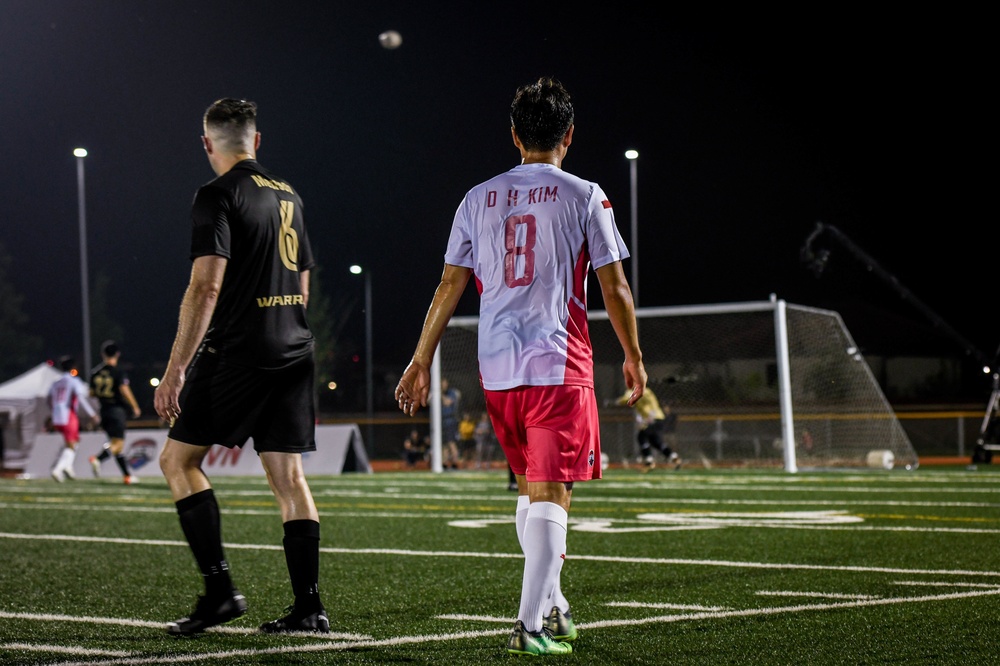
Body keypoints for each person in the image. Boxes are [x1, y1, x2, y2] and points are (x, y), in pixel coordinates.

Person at [394, 76, 646, 657]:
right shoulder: (585, 195)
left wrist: (420, 358)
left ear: (514, 136)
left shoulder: (475, 197)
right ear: (570, 136)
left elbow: (449, 285)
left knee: (535, 489)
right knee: (553, 494)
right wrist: (633, 356)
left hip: (496, 368)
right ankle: (528, 624)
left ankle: (554, 607)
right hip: (558, 363)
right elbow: (616, 287)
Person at [153, 97, 328, 637]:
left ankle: (220, 590)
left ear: (208, 144)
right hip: (294, 348)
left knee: (177, 462)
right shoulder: (289, 193)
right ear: (258, 141)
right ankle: (309, 608)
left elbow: (205, 286)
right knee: (290, 478)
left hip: (240, 350)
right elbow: (301, 280)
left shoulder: (215, 195)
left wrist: (176, 368)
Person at [88, 341, 143, 484]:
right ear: (117, 354)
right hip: (116, 410)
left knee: (117, 446)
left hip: (104, 411)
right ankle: (98, 459)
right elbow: (124, 389)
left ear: (102, 354)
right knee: (117, 444)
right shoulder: (118, 372)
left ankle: (127, 476)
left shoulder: (95, 373)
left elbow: (91, 393)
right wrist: (135, 406)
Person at [47, 355, 99, 482]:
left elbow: (48, 399)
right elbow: (81, 398)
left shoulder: (55, 382)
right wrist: (92, 414)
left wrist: (54, 411)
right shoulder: (74, 381)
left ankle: (68, 467)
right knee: (71, 445)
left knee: (72, 442)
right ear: (73, 368)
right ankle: (58, 469)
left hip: (56, 416)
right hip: (68, 415)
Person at [614, 386, 681, 471]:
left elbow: (627, 398)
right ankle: (674, 457)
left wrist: (617, 401)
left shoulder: (641, 390)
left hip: (654, 419)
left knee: (641, 436)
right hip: (656, 419)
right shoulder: (645, 392)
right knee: (656, 442)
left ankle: (649, 462)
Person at [440, 377, 461, 469]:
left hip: (450, 421)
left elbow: (447, 402)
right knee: (444, 444)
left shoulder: (452, 393)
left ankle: (455, 463)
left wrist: (439, 394)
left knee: (451, 442)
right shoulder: (438, 394)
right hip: (442, 421)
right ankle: (444, 464)